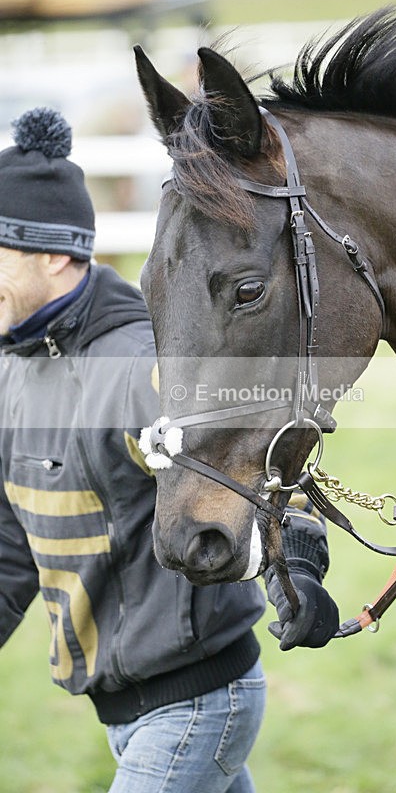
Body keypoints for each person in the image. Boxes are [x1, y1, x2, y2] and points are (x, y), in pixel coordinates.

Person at [0, 107, 339, 792]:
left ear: (54, 254)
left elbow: (261, 469)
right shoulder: (11, 370)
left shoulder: (140, 367)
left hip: (196, 702)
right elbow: (10, 542)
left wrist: (296, 574)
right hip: (122, 707)